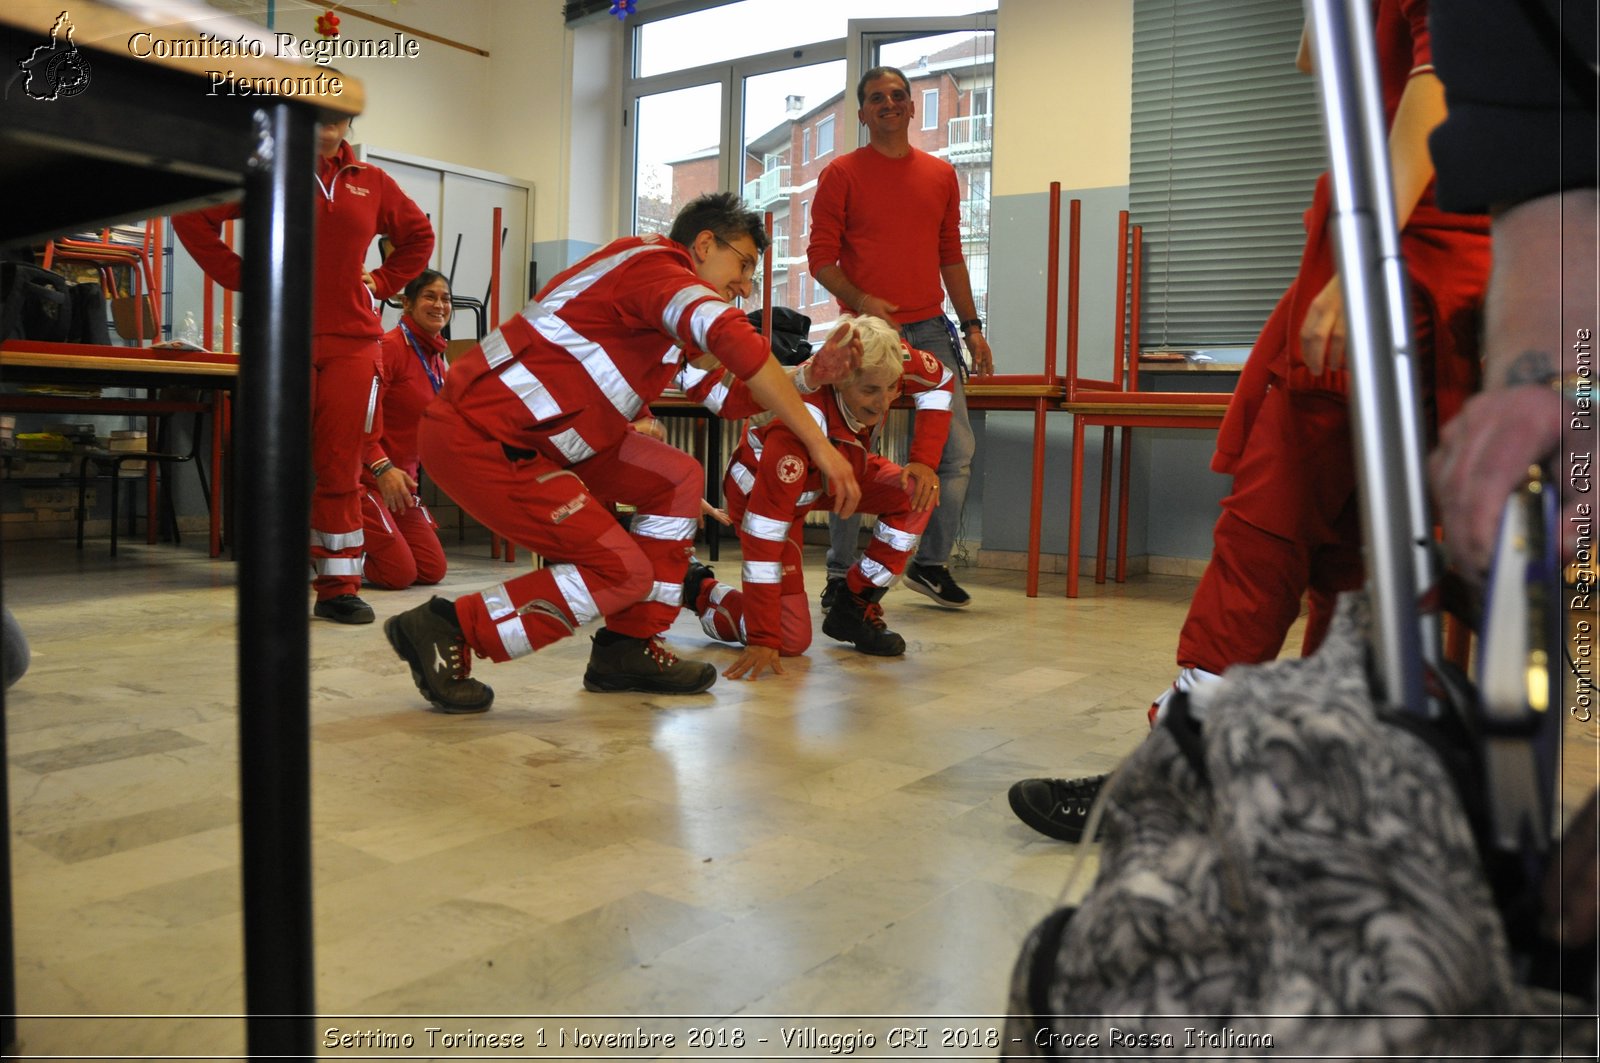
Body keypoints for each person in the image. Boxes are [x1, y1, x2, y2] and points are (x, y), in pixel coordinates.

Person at [1009, 0, 1492, 842]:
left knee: (1269, 531)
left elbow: (1438, 83)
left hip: (1406, 259)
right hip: (1411, 257)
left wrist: (1366, 257)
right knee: (1351, 553)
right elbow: (1322, 57)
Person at [382, 192, 862, 713]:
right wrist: (822, 447)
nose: (746, 286)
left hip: (547, 440)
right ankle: (452, 626)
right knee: (620, 570)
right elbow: (735, 344)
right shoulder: (655, 269)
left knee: (676, 477)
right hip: (481, 436)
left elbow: (725, 396)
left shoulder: (661, 307)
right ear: (704, 244)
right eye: (743, 264)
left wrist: (812, 375)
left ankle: (628, 648)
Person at [172, 115, 434, 625]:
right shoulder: (265, 172)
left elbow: (418, 236)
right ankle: (272, 580)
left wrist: (380, 281)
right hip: (279, 337)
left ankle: (338, 589)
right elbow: (192, 217)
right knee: (276, 465)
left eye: (335, 117)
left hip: (352, 342)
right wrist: (244, 276)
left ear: (350, 122)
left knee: (340, 467)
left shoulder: (371, 182)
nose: (324, 126)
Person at [807, 65, 993, 611]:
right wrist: (863, 302)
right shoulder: (841, 174)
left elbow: (950, 256)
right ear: (862, 113)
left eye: (897, 96)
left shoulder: (940, 175)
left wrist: (974, 326)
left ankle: (929, 564)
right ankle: (842, 574)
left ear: (912, 108)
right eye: (875, 98)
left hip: (931, 329)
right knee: (852, 449)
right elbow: (820, 258)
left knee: (955, 450)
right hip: (864, 332)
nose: (888, 103)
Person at [682, 314, 954, 680]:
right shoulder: (795, 430)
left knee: (917, 491)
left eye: (892, 388)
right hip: (769, 495)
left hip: (837, 468)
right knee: (789, 640)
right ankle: (698, 587)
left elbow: (941, 380)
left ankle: (854, 606)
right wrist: (762, 637)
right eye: (870, 391)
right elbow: (764, 537)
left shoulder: (888, 358)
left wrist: (924, 461)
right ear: (840, 381)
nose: (883, 403)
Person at [361, 270, 452, 591]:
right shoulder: (390, 348)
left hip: (402, 491)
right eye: (429, 296)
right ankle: (337, 547)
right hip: (368, 481)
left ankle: (378, 539)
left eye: (445, 298)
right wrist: (381, 467)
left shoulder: (438, 358)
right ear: (407, 303)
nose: (439, 305)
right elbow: (357, 418)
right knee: (397, 574)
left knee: (431, 570)